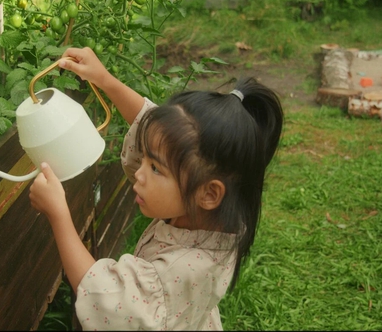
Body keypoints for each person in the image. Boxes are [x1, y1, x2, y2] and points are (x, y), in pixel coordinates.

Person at [29, 47, 284, 330]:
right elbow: (151, 128)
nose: (139, 171)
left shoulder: (179, 271)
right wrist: (105, 80)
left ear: (208, 194)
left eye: (155, 168)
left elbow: (107, 299)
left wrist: (59, 215)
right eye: (145, 158)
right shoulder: (220, 213)